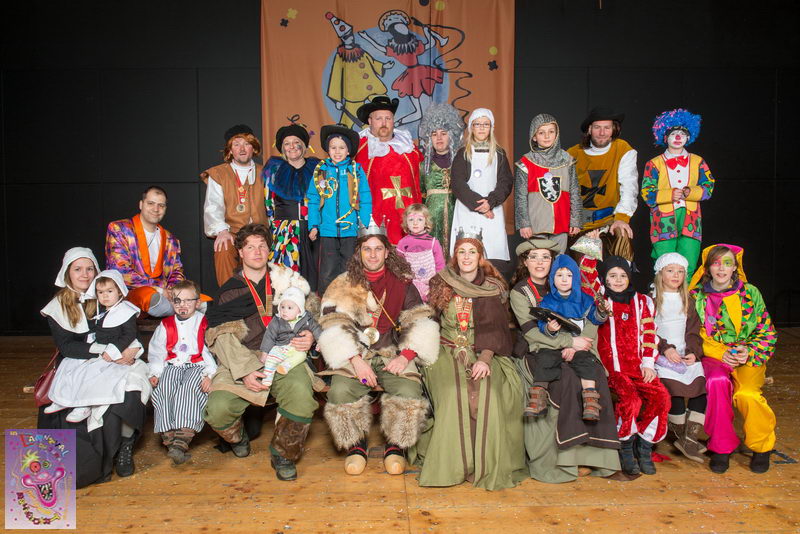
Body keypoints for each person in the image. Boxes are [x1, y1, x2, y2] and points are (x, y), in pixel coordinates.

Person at [318, 219, 439, 476]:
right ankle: (356, 445)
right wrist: (355, 359)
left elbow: (420, 320)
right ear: (359, 253)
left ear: (386, 252)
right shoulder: (342, 284)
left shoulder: (403, 283)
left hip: (392, 353)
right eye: (367, 249)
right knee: (339, 391)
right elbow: (332, 324)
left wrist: (405, 356)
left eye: (378, 249)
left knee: (408, 389)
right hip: (355, 354)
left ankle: (395, 446)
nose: (372, 254)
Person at [202, 224, 318, 481]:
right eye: (250, 247)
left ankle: (284, 453)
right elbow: (221, 337)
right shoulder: (229, 291)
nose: (257, 252)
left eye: (262, 246)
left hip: (285, 354)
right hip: (243, 357)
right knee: (218, 409)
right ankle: (237, 438)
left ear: (269, 250)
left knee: (301, 394)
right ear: (240, 252)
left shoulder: (287, 280)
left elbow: (311, 313)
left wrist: (310, 335)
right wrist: (245, 371)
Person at [413, 230, 525, 490]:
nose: (466, 257)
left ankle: (483, 465)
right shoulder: (441, 282)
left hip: (485, 350)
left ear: (480, 256)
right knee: (454, 393)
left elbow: (497, 328)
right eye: (461, 252)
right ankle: (454, 466)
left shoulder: (493, 287)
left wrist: (485, 358)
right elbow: (429, 321)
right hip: (445, 349)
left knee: (488, 394)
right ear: (455, 256)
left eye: (472, 252)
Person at [509, 238, 620, 483]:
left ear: (554, 262)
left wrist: (578, 343)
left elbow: (590, 321)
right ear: (525, 262)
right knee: (566, 379)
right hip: (538, 350)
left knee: (594, 374)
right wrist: (568, 342)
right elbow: (531, 333)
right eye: (534, 257)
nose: (540, 262)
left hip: (578, 347)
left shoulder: (566, 281)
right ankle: (567, 458)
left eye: (545, 257)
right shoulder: (520, 292)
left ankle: (593, 456)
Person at [39, 248, 149, 487]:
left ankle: (125, 444)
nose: (85, 274)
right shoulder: (58, 305)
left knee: (132, 388)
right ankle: (88, 464)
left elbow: (127, 330)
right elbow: (67, 347)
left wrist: (132, 350)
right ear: (67, 273)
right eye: (78, 269)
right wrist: (103, 351)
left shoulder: (105, 295)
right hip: (78, 361)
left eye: (89, 269)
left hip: (115, 358)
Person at [689, 244, 777, 474]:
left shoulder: (751, 293)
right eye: (716, 263)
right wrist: (721, 353)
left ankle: (762, 446)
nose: (721, 268)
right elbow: (694, 334)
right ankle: (721, 447)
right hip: (714, 355)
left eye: (727, 263)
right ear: (708, 267)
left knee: (747, 395)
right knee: (717, 383)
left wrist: (750, 351)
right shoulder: (696, 296)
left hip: (748, 356)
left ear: (735, 267)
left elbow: (767, 330)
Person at [591, 256, 671, 476]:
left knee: (661, 397)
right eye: (612, 276)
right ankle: (625, 447)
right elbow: (587, 276)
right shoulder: (599, 298)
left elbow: (649, 334)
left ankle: (644, 446)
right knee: (631, 401)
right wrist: (591, 249)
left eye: (623, 275)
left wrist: (648, 363)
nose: (618, 280)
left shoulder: (642, 301)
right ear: (605, 279)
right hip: (612, 369)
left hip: (638, 366)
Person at [45, 269, 147, 428]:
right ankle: (63, 399)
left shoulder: (123, 309)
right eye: (100, 292)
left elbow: (129, 334)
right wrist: (96, 348)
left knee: (95, 374)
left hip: (113, 351)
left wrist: (120, 350)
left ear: (120, 292)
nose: (105, 296)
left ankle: (84, 405)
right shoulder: (100, 309)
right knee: (72, 368)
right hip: (93, 350)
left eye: (109, 291)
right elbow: (70, 344)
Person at [147, 279, 217, 465]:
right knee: (164, 389)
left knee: (189, 389)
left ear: (197, 302)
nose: (182, 305)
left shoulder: (203, 322)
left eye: (188, 300)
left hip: (197, 365)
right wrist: (155, 373)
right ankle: (170, 438)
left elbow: (209, 351)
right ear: (172, 302)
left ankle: (182, 439)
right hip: (172, 364)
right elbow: (157, 351)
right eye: (177, 301)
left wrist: (210, 375)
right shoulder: (166, 324)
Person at [642, 109, 715, 278]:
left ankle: (686, 293)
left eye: (682, 134)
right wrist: (668, 195)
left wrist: (691, 192)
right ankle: (662, 293)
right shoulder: (654, 163)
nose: (677, 137)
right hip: (663, 220)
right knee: (664, 261)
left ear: (689, 137)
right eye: (673, 133)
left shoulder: (698, 161)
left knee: (689, 258)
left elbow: (709, 186)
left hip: (691, 219)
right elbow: (647, 193)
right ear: (665, 137)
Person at [533, 255, 607, 420]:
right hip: (557, 343)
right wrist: (549, 328)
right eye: (559, 275)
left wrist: (602, 311)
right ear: (552, 278)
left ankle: (590, 400)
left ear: (575, 278)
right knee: (544, 358)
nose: (564, 279)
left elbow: (595, 319)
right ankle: (538, 396)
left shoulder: (585, 299)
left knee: (587, 361)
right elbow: (541, 323)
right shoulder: (547, 301)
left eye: (569, 275)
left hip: (579, 344)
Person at [652, 253, 707, 463]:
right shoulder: (651, 300)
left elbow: (693, 330)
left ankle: (689, 438)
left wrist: (693, 351)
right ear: (660, 273)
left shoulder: (688, 301)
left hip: (685, 354)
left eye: (680, 272)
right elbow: (648, 330)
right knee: (674, 390)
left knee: (700, 389)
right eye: (670, 271)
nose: (676, 275)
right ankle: (681, 436)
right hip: (663, 354)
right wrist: (665, 348)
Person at [307, 124, 372, 294]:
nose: (337, 151)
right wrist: (313, 225)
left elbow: (365, 198)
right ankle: (327, 301)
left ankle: (350, 300)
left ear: (348, 151)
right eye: (333, 147)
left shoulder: (356, 170)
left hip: (350, 229)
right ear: (327, 149)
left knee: (349, 269)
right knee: (327, 270)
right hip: (327, 230)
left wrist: (364, 224)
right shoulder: (321, 171)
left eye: (342, 148)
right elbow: (313, 199)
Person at [567, 107, 638, 260]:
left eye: (607, 128)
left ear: (614, 129)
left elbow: (629, 187)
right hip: (581, 225)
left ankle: (623, 273)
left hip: (610, 221)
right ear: (589, 129)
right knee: (586, 263)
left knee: (622, 237)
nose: (602, 133)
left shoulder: (622, 149)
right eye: (597, 127)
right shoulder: (572, 154)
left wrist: (622, 218)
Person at [105, 186, 187, 317]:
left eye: (161, 205)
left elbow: (176, 272)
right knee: (155, 300)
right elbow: (120, 271)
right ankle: (179, 308)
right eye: (151, 203)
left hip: (166, 293)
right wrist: (159, 290)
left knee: (200, 300)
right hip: (132, 292)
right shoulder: (120, 229)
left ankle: (179, 305)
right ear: (141, 204)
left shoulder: (171, 239)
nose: (156, 209)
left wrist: (173, 292)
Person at [202, 125, 268, 286]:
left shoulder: (266, 172)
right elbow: (213, 206)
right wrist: (222, 231)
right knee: (223, 246)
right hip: (233, 233)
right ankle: (229, 295)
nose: (242, 149)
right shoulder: (219, 174)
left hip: (261, 233)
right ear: (230, 150)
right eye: (237, 144)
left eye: (247, 144)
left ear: (253, 148)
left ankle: (264, 295)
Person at [354, 96, 424, 244]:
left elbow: (418, 184)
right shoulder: (359, 149)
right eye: (379, 118)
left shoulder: (408, 148)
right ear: (370, 121)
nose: (384, 123)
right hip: (374, 221)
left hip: (408, 220)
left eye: (388, 118)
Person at [262, 122, 321, 291]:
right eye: (287, 143)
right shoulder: (274, 171)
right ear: (282, 148)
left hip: (313, 230)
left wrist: (318, 225)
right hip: (285, 231)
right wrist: (275, 231)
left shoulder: (318, 169)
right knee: (287, 279)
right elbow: (269, 203)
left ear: (304, 146)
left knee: (315, 277)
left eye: (296, 142)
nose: (292, 147)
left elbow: (326, 200)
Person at [450, 108, 513, 264]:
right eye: (477, 124)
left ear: (491, 127)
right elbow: (458, 184)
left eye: (486, 124)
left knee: (492, 256)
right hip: (467, 209)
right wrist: (481, 205)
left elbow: (505, 182)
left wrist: (490, 202)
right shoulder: (462, 153)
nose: (482, 128)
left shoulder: (499, 153)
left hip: (493, 209)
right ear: (471, 127)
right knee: (467, 254)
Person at [514, 113, 582, 253]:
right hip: (535, 223)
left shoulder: (567, 160)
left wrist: (575, 220)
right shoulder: (526, 163)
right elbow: (520, 196)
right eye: (541, 132)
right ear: (534, 136)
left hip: (561, 221)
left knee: (558, 261)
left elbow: (575, 191)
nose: (547, 136)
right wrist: (524, 224)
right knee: (538, 261)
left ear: (556, 134)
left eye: (551, 132)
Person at [418, 103, 463, 258]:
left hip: (457, 216)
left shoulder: (461, 163)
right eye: (434, 134)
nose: (438, 138)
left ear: (451, 135)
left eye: (443, 133)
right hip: (432, 220)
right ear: (429, 138)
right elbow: (420, 195)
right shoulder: (423, 166)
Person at [258, 287, 322, 388]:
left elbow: (316, 329)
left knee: (301, 356)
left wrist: (320, 341)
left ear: (299, 310)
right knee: (271, 358)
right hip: (280, 347)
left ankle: (285, 366)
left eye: (289, 308)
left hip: (296, 349)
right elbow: (269, 336)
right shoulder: (277, 321)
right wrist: (264, 353)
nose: (284, 311)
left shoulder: (307, 320)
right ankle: (267, 377)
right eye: (282, 307)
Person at [396, 203, 445, 301]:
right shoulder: (402, 243)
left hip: (431, 284)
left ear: (426, 222)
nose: (415, 223)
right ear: (406, 222)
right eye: (411, 220)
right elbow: (399, 265)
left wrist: (437, 283)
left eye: (420, 219)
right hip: (412, 286)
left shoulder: (433, 242)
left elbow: (440, 265)